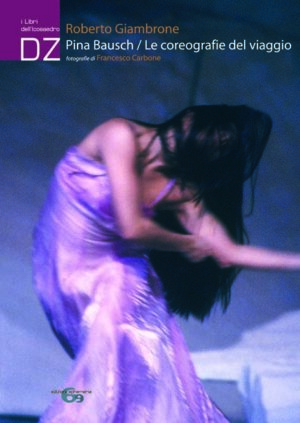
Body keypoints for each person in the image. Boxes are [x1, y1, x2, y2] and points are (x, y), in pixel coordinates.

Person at [33, 105, 300, 422]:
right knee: (106, 362)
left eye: (223, 147)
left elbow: (228, 252)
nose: (215, 145)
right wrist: (186, 243)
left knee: (128, 353)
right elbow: (131, 227)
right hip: (60, 264)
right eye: (214, 134)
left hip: (116, 269)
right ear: (190, 119)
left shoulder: (183, 191)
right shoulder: (119, 135)